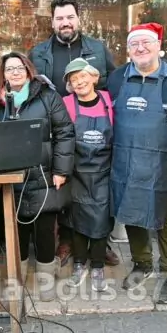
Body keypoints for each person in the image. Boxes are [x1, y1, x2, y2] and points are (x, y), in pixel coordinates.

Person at [28, 0, 119, 267]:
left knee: (97, 190)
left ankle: (99, 242)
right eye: (59, 18)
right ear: (52, 22)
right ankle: (66, 240)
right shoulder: (38, 53)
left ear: (78, 19)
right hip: (55, 129)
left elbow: (112, 85)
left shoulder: (98, 49)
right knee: (64, 185)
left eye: (69, 17)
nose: (65, 22)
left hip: (93, 129)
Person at [106, 22, 167, 305]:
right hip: (127, 163)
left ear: (158, 46)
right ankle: (142, 263)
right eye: (134, 44)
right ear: (128, 50)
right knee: (132, 214)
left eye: (146, 43)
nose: (140, 48)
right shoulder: (116, 78)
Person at [0, 51, 75, 301]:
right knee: (16, 232)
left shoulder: (48, 96)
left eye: (20, 68)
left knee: (44, 231)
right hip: (11, 177)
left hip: (43, 174)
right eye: (10, 69)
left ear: (29, 71)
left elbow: (65, 132)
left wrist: (61, 170)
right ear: (3, 75)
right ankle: (17, 280)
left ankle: (46, 283)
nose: (15, 72)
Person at [61, 58, 113, 292]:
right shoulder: (66, 104)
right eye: (74, 79)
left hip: (104, 172)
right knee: (78, 219)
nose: (79, 82)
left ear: (94, 77)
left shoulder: (109, 100)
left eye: (83, 76)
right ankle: (79, 263)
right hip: (77, 173)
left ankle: (98, 266)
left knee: (101, 220)